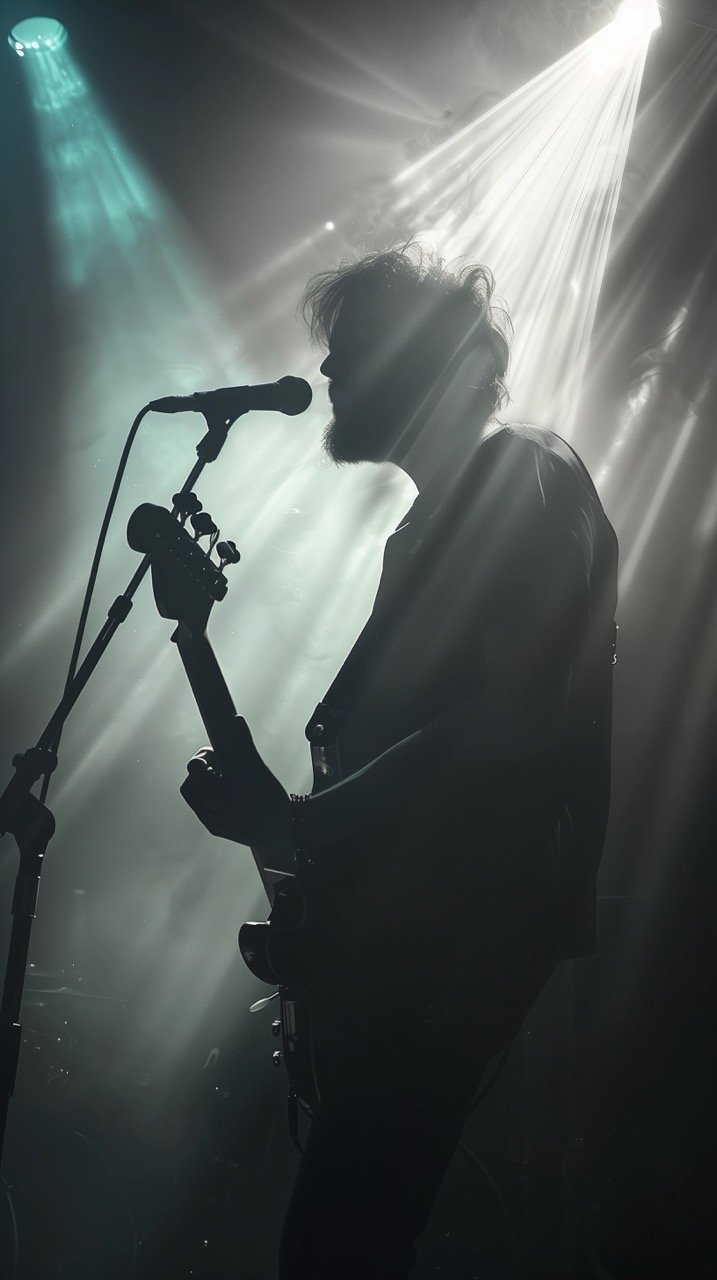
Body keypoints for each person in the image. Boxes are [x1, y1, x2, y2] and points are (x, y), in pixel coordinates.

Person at [180, 245, 618, 1278]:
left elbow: (512, 718)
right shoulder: (418, 534)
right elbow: (348, 790)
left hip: (467, 946)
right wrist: (194, 639)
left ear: (435, 359)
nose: (328, 373)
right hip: (416, 955)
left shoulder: (522, 475)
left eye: (354, 348)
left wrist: (301, 825)